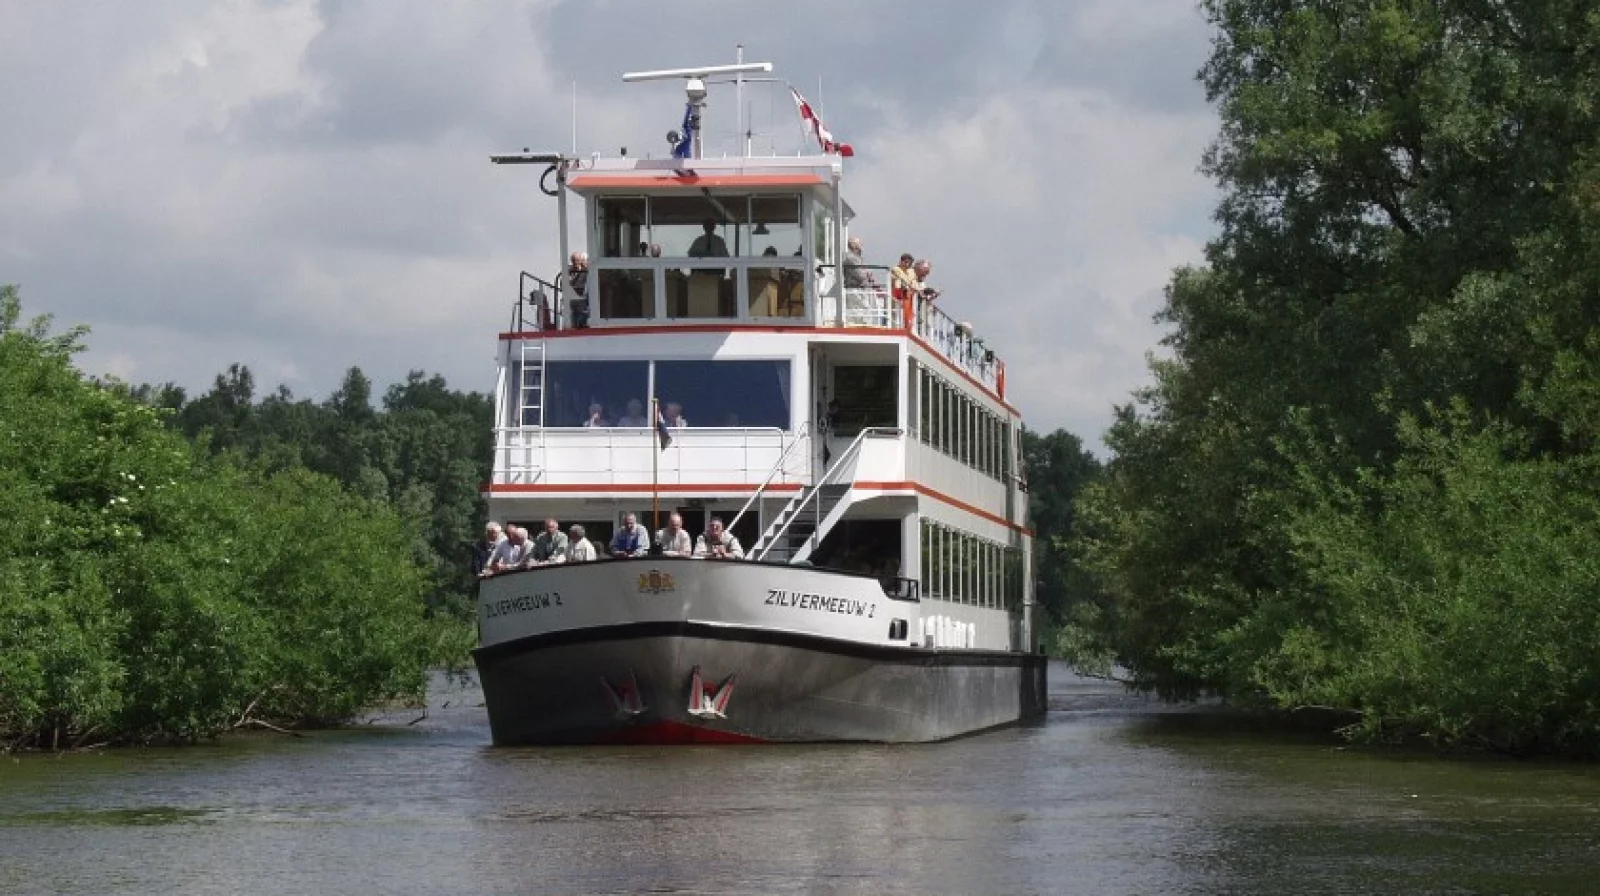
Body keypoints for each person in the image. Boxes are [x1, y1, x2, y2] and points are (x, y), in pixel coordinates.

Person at [565, 251, 590, 328]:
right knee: (573, 314)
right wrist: (577, 272)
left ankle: (581, 325)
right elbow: (567, 282)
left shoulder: (585, 270)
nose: (576, 262)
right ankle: (573, 326)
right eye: (574, 260)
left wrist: (583, 268)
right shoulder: (569, 270)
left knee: (582, 312)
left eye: (578, 260)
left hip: (582, 296)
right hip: (571, 296)